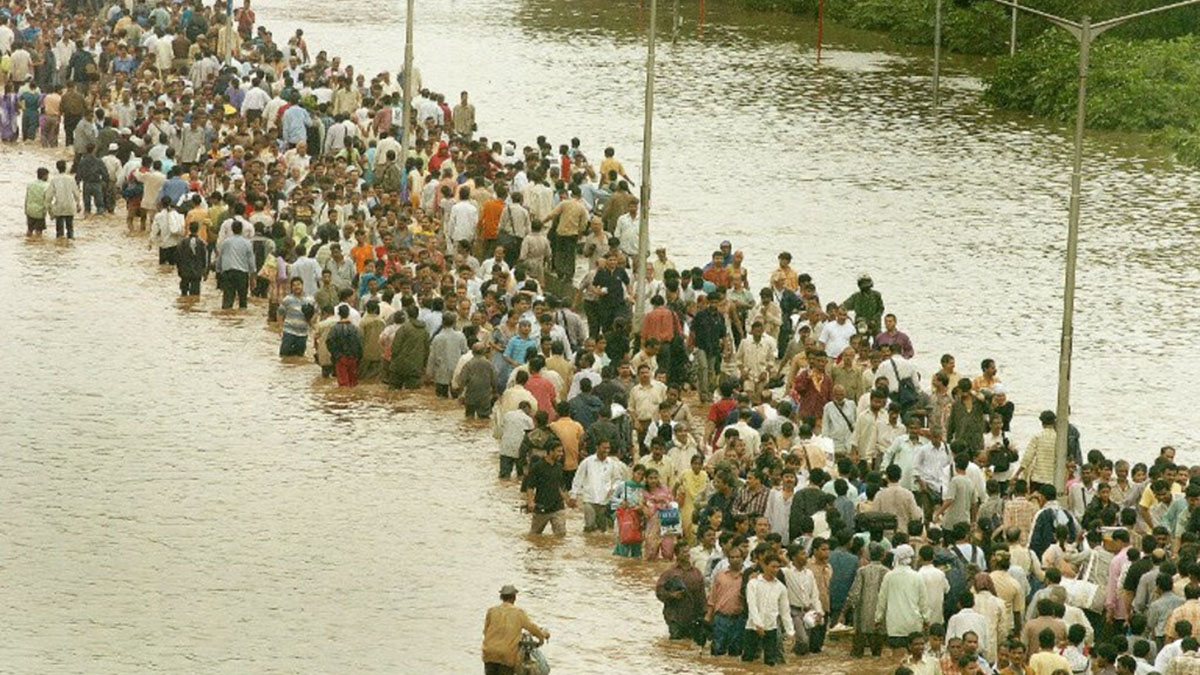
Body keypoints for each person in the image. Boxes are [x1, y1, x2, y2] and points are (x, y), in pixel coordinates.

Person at [481, 584, 549, 675]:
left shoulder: (491, 611)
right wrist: (542, 636)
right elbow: (532, 628)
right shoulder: (518, 613)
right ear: (514, 598)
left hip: (489, 653)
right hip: (506, 656)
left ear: (501, 597)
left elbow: (485, 631)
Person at [743, 554, 794, 666]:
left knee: (770, 662)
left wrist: (790, 631)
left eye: (777, 567)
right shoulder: (753, 584)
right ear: (765, 566)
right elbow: (752, 605)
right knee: (747, 660)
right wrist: (758, 624)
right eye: (773, 567)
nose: (775, 570)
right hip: (752, 627)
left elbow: (785, 611)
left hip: (771, 628)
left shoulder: (781, 587)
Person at [521, 445, 573, 536]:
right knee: (535, 535)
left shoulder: (559, 466)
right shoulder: (538, 467)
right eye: (559, 451)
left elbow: (561, 486)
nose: (561, 454)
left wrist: (568, 500)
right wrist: (530, 502)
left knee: (561, 534)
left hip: (558, 507)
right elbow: (530, 487)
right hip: (542, 507)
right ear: (550, 451)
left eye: (562, 451)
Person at [655, 549, 706, 641]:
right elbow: (659, 591)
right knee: (676, 641)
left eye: (688, 552)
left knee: (691, 642)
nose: (687, 554)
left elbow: (701, 595)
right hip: (674, 616)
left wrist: (704, 613)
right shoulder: (669, 573)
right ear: (677, 554)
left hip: (692, 615)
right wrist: (671, 595)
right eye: (684, 552)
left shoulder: (696, 573)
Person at [217, 219, 256, 309]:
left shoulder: (225, 242)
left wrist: (218, 271)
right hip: (242, 274)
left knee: (227, 300)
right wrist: (253, 275)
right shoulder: (247, 243)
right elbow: (251, 260)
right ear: (241, 230)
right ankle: (241, 320)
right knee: (243, 300)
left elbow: (220, 258)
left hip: (228, 273)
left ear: (232, 229)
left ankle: (226, 319)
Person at [326, 304, 364, 387]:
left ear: (339, 314)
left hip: (340, 358)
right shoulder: (355, 328)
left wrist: (336, 355)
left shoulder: (334, 329)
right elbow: (360, 343)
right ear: (348, 314)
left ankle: (344, 398)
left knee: (343, 383)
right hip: (353, 358)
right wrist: (358, 356)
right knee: (353, 382)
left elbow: (329, 343)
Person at [46, 159, 81, 240]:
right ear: (65, 167)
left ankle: (60, 247)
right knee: (70, 230)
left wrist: (50, 210)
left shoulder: (54, 180)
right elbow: (76, 193)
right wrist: (78, 204)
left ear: (57, 168)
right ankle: (70, 245)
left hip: (59, 207)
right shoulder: (71, 179)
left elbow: (48, 197)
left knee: (59, 233)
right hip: (70, 206)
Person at [175, 222, 209, 296]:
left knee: (183, 293)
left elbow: (178, 257)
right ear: (198, 230)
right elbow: (204, 259)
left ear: (189, 229)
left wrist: (179, 269)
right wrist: (205, 272)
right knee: (195, 295)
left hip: (185, 271)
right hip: (196, 272)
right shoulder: (201, 243)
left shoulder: (182, 242)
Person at [24, 167, 49, 238]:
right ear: (44, 176)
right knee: (39, 232)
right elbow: (47, 201)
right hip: (39, 212)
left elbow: (27, 198)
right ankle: (37, 246)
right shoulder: (46, 186)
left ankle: (28, 243)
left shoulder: (30, 184)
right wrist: (47, 212)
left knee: (29, 230)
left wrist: (26, 210)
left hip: (30, 210)